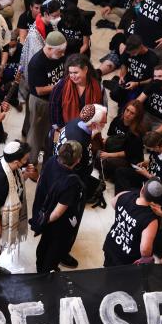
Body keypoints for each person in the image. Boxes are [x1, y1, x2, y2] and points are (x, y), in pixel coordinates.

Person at [0, 141, 38, 274]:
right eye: (24, 159)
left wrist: (26, 175)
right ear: (16, 161)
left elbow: (13, 185)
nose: (26, 161)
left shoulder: (10, 165)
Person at [32, 140, 84, 272]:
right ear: (77, 160)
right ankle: (46, 274)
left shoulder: (51, 161)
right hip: (57, 223)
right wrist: (46, 221)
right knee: (53, 249)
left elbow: (40, 181)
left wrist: (41, 220)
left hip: (42, 210)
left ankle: (40, 267)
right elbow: (57, 213)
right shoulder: (71, 182)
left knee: (43, 245)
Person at [26, 31, 67, 162]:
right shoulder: (36, 63)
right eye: (60, 52)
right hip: (40, 102)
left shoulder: (57, 56)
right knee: (36, 134)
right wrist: (61, 85)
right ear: (49, 48)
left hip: (54, 100)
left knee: (49, 129)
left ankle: (46, 151)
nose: (62, 55)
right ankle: (30, 163)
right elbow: (40, 90)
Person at [103, 177, 162, 266]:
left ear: (142, 189)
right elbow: (145, 250)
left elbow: (113, 203)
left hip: (111, 243)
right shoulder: (151, 220)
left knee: (107, 268)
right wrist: (149, 258)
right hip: (125, 259)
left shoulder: (126, 194)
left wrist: (125, 217)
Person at [49, 53, 103, 130]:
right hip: (65, 129)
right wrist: (58, 128)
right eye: (70, 73)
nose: (72, 76)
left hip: (89, 130)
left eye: (76, 73)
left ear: (85, 70)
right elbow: (53, 108)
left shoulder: (97, 87)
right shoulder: (61, 86)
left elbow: (101, 109)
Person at [101, 99, 146, 180]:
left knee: (107, 161)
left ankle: (110, 175)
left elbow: (128, 153)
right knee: (96, 149)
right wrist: (101, 144)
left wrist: (108, 155)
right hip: (115, 148)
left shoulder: (137, 133)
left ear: (137, 116)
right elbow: (110, 136)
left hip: (128, 158)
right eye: (127, 110)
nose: (128, 114)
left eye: (132, 113)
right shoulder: (117, 119)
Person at [111, 34, 160, 109]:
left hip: (142, 85)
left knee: (133, 106)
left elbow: (153, 79)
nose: (131, 55)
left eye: (133, 53)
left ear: (140, 47)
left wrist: (137, 83)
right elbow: (124, 64)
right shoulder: (128, 51)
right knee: (114, 94)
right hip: (129, 81)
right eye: (129, 53)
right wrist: (122, 76)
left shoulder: (152, 59)